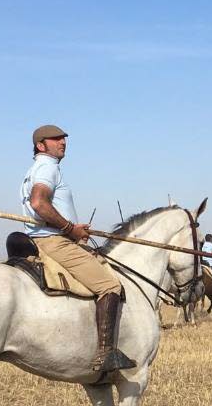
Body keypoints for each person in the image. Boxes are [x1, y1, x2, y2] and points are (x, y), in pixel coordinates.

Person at [22, 124, 135, 374]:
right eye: (55, 139)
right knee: (109, 285)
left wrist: (73, 227)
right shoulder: (47, 167)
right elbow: (39, 202)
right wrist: (70, 229)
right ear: (41, 145)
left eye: (63, 138)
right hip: (55, 241)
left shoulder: (36, 169)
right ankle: (106, 352)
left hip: (52, 236)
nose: (63, 142)